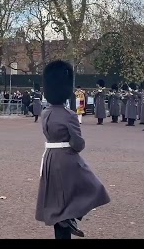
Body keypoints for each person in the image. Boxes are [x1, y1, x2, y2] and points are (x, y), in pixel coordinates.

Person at [36, 60, 111, 239]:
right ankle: (69, 218)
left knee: (56, 200)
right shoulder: (69, 115)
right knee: (93, 187)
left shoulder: (45, 113)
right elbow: (78, 144)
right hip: (67, 159)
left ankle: (65, 220)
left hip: (49, 158)